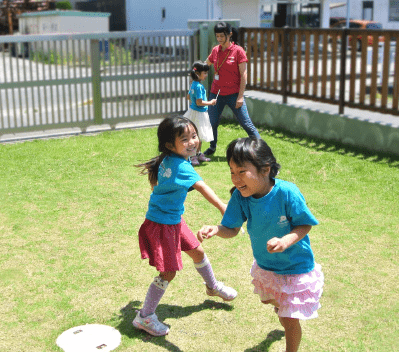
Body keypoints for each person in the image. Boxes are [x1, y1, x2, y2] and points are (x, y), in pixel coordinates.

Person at [197, 138, 324, 352]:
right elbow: (233, 228)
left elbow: (305, 225)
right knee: (278, 307)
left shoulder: (287, 193)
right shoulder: (241, 197)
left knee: (289, 319)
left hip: (295, 268)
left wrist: (285, 241)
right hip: (267, 266)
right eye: (232, 172)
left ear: (265, 170)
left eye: (242, 172)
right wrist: (217, 230)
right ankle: (282, 309)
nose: (235, 179)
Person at [133, 116, 237, 337]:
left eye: (194, 136)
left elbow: (156, 184)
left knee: (197, 252)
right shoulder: (181, 165)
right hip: (164, 225)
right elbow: (201, 186)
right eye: (185, 139)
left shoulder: (168, 159)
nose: (193, 142)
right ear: (171, 145)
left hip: (172, 221)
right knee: (167, 272)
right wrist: (221, 206)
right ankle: (145, 317)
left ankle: (212, 287)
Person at [204, 22, 261, 157]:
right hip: (216, 94)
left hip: (234, 95)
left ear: (229, 34)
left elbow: (244, 74)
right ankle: (212, 147)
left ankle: (261, 150)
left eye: (222, 36)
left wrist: (240, 96)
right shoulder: (215, 50)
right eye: (217, 36)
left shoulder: (238, 51)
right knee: (212, 123)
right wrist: (195, 70)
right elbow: (205, 64)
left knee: (246, 123)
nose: (219, 39)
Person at [183, 60, 216, 166]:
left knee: (196, 135)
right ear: (197, 74)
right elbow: (199, 102)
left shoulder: (193, 84)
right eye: (205, 73)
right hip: (199, 114)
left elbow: (188, 97)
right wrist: (211, 102)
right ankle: (193, 156)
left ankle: (197, 154)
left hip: (193, 112)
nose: (206, 75)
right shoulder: (199, 86)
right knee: (196, 136)